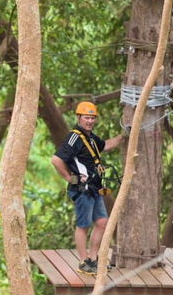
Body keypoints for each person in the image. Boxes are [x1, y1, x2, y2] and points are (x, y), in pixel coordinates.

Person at [51, 102, 126, 274]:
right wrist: (70, 178)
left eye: (92, 118)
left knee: (102, 222)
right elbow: (56, 160)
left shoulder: (91, 138)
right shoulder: (74, 138)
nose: (90, 121)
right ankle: (83, 261)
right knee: (83, 225)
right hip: (82, 190)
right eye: (87, 117)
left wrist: (123, 136)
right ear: (78, 118)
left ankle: (93, 259)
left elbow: (106, 145)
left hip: (94, 188)